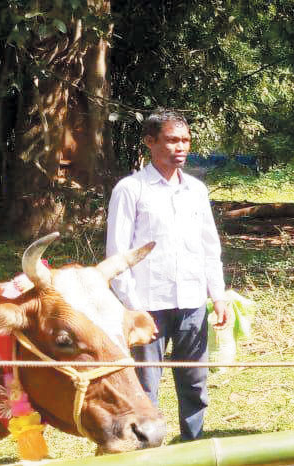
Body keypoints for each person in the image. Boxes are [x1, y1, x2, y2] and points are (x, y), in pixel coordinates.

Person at [107, 108, 230, 441]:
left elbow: (209, 246)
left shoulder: (195, 191)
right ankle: (149, 450)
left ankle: (194, 444)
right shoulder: (131, 190)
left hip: (192, 301)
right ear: (150, 142)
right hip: (148, 305)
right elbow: (118, 256)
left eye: (186, 140)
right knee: (146, 383)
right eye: (172, 140)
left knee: (194, 380)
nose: (181, 147)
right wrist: (134, 308)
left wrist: (217, 295)